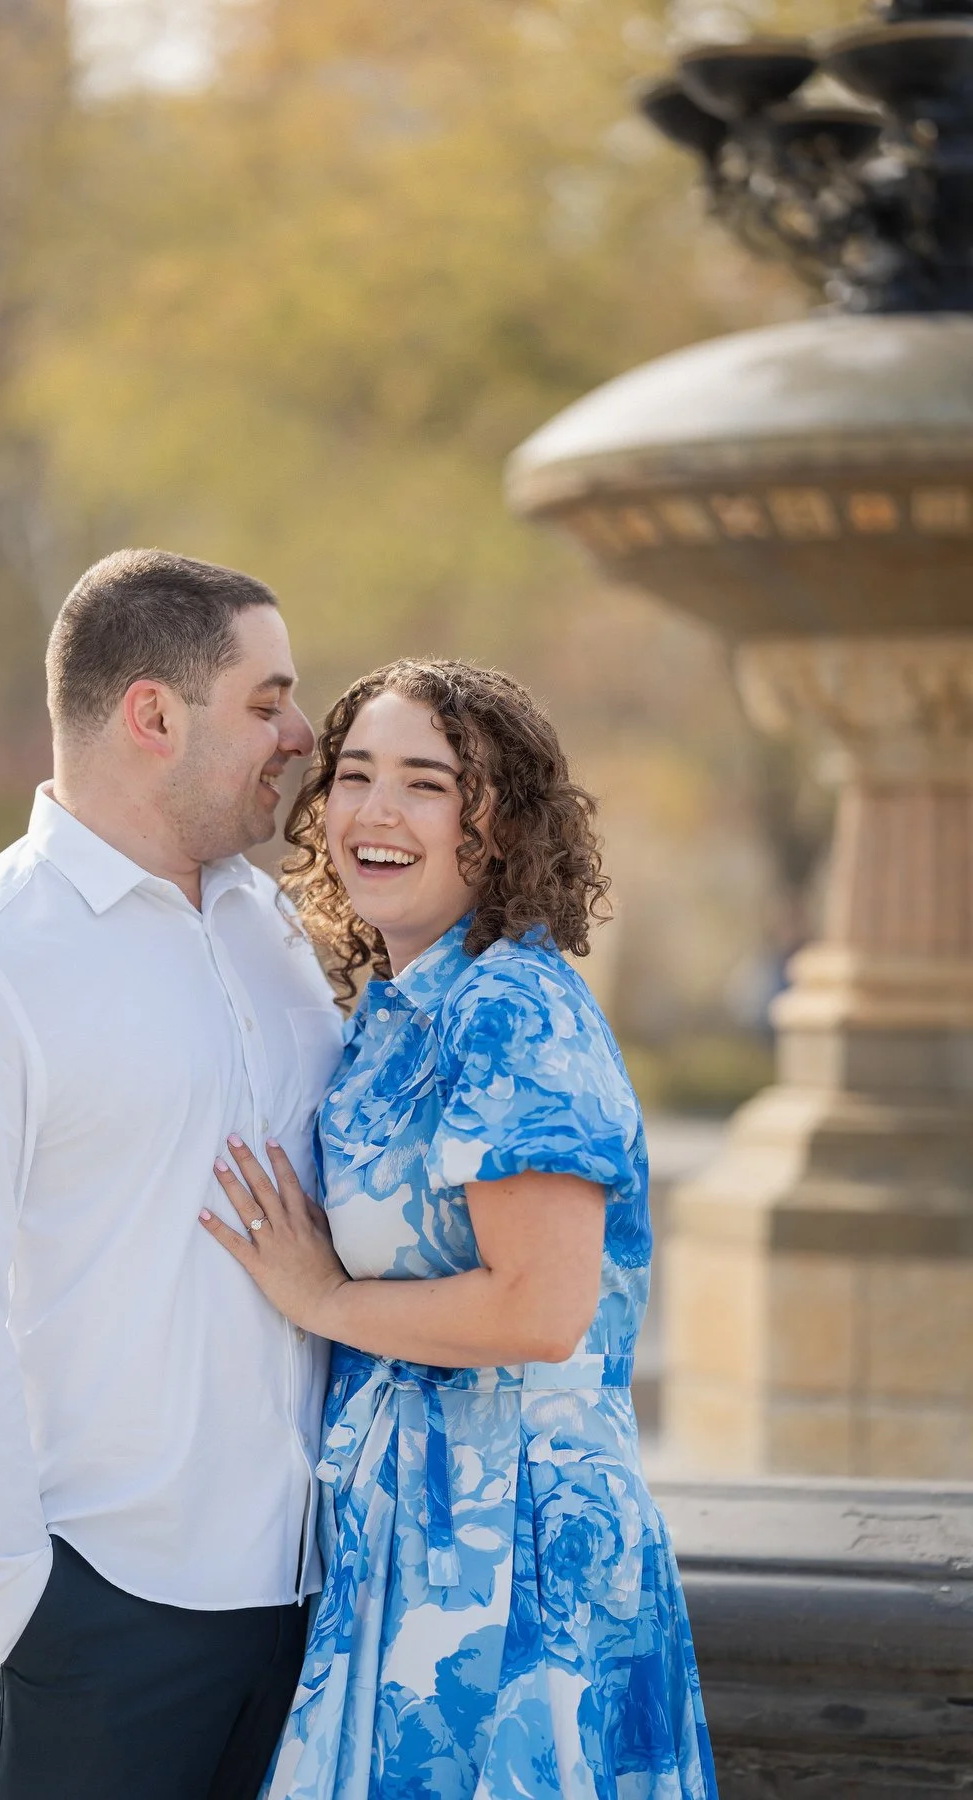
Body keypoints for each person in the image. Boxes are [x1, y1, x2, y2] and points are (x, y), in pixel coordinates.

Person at [0, 549, 344, 1800]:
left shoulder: (281, 932)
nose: (301, 734)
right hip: (103, 1623)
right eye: (267, 700)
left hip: (312, 1607)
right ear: (151, 714)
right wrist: (26, 1596)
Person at [201, 658, 719, 1800]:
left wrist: (324, 1300)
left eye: (426, 784)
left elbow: (542, 1308)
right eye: (354, 775)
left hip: (515, 1566)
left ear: (499, 823)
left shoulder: (509, 1008)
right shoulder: (399, 1006)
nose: (376, 812)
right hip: (412, 1547)